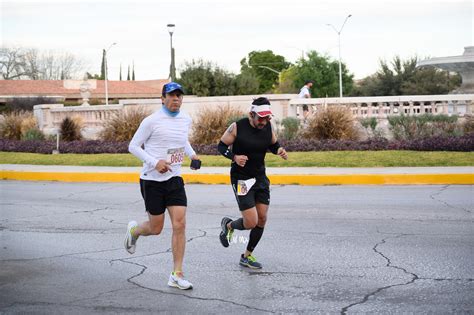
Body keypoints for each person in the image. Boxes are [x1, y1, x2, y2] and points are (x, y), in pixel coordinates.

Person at [124, 82, 200, 290]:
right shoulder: (151, 121)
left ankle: (177, 274)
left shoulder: (185, 119)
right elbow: (133, 146)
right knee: (156, 228)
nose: (176, 99)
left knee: (180, 224)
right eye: (172, 95)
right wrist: (154, 162)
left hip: (174, 179)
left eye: (179, 96)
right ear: (162, 98)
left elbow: (182, 141)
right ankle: (135, 231)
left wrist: (192, 155)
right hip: (152, 181)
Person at [217, 97, 288, 269]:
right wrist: (234, 157)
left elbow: (273, 144)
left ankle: (246, 256)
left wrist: (278, 149)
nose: (264, 121)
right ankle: (228, 225)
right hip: (241, 179)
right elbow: (221, 146)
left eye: (267, 117)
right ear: (251, 114)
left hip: (260, 179)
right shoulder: (237, 127)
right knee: (250, 222)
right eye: (261, 118)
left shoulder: (267, 126)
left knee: (261, 219)